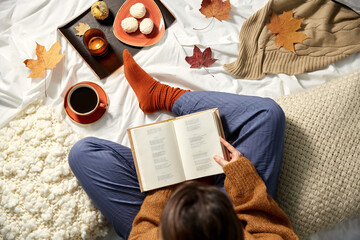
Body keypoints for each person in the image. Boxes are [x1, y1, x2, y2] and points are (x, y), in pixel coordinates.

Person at [68, 49, 298, 239]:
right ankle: (161, 95)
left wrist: (171, 184)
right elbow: (271, 228)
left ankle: (158, 96)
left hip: (167, 216)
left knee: (83, 154)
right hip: (226, 212)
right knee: (267, 114)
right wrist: (242, 178)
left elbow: (141, 232)